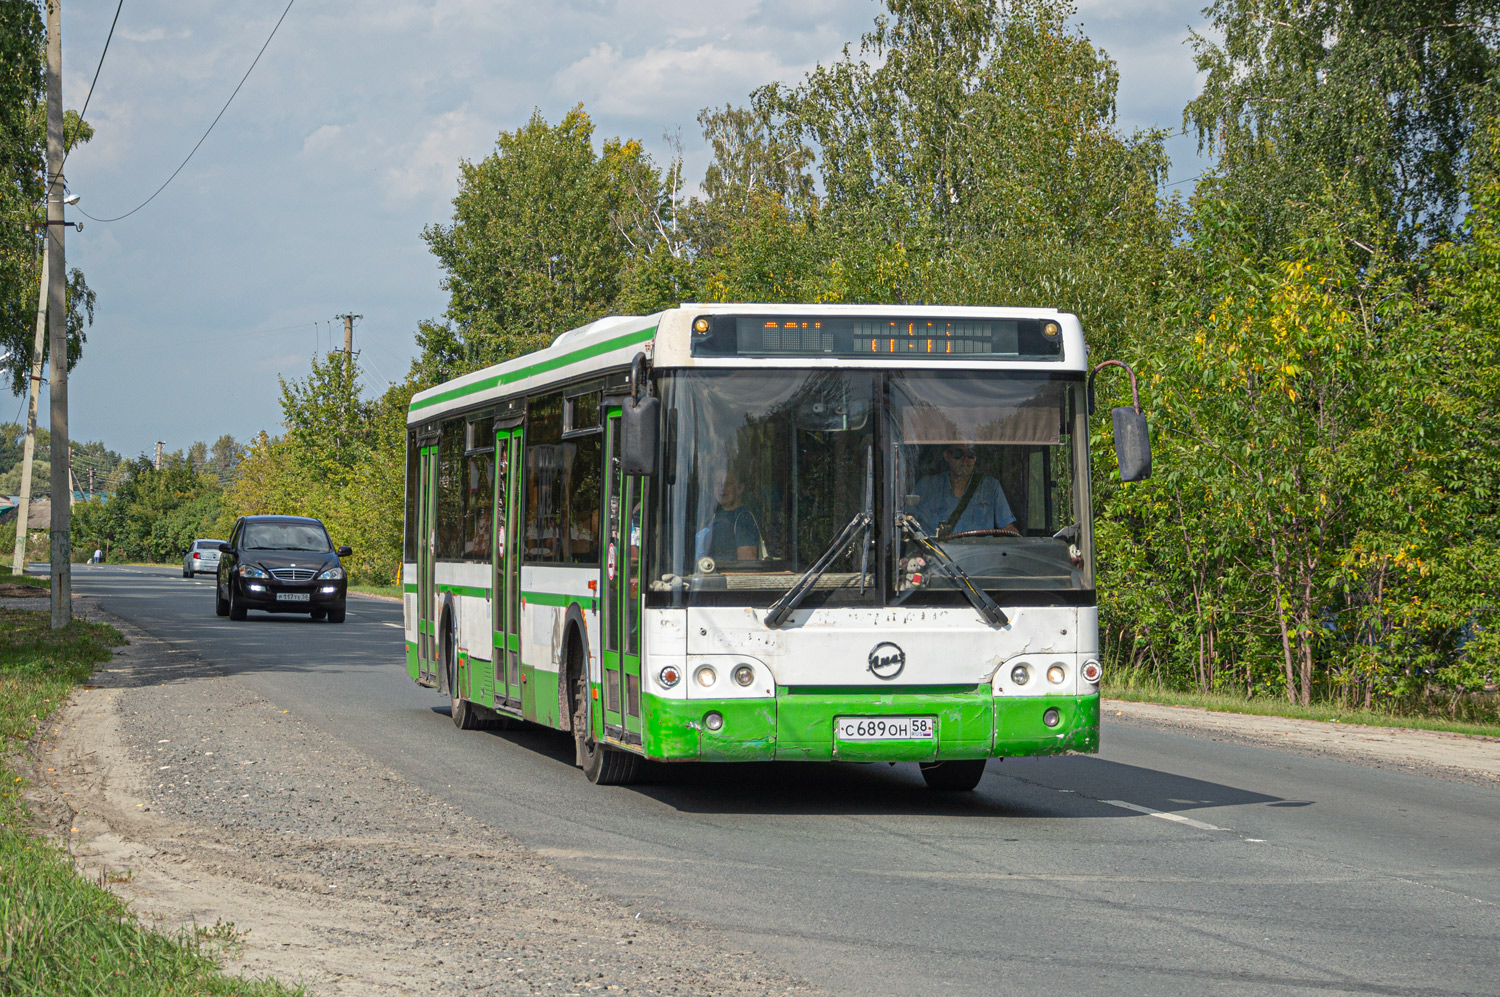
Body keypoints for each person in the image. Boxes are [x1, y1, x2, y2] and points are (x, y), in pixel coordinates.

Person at [913, 444, 1019, 537]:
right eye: (958, 454)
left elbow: (1007, 527)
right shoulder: (926, 486)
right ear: (947, 456)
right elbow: (908, 523)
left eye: (970, 454)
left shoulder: (991, 486)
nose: (965, 459)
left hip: (979, 557)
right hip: (938, 558)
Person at [698, 467, 761, 561]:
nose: (721, 488)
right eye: (717, 483)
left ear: (740, 488)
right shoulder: (714, 514)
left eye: (727, 484)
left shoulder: (744, 518)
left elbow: (747, 564)